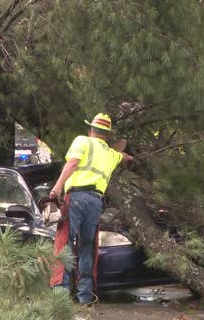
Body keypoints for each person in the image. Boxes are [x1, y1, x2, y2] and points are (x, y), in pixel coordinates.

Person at [49, 112, 133, 304]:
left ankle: (60, 296)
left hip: (76, 197)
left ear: (91, 130)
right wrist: (129, 157)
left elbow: (72, 163)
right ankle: (85, 295)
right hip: (96, 202)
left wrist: (57, 188)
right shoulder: (111, 155)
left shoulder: (82, 141)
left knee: (65, 243)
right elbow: (125, 157)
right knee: (87, 247)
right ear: (107, 134)